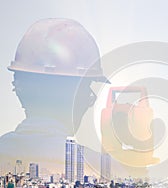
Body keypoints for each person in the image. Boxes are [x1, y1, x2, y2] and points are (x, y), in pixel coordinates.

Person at [0, 18, 108, 173]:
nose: (90, 102)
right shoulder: (94, 166)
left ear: (19, 90)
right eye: (86, 92)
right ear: (73, 98)